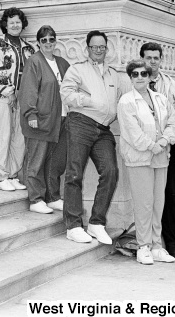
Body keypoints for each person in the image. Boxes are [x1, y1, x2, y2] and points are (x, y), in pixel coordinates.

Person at [60, 30, 123, 245]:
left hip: (104, 129)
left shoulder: (113, 74)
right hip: (81, 123)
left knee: (111, 172)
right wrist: (89, 100)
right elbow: (66, 93)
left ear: (107, 49)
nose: (98, 50)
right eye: (94, 47)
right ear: (87, 48)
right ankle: (73, 225)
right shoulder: (77, 69)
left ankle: (96, 223)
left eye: (102, 47)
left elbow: (120, 101)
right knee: (74, 173)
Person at [117, 58, 175, 265]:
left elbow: (172, 123)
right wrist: (153, 145)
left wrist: (164, 141)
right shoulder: (126, 101)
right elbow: (132, 133)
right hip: (140, 159)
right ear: (130, 77)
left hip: (160, 157)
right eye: (135, 74)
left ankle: (157, 246)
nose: (140, 77)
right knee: (143, 204)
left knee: (157, 203)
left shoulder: (161, 98)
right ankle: (143, 246)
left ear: (150, 76)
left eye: (144, 73)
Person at [140, 41, 175, 259]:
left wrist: (171, 145)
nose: (152, 62)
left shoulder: (171, 86)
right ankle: (167, 241)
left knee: (174, 193)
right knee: (154, 197)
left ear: (161, 60)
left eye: (156, 58)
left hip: (166, 149)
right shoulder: (135, 82)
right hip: (144, 150)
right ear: (142, 59)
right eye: (148, 58)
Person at [19, 25, 70, 214]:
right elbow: (29, 90)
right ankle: (35, 199)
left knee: (55, 162)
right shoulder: (34, 61)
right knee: (36, 160)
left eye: (51, 39)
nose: (48, 43)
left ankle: (52, 197)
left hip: (61, 119)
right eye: (44, 40)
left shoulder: (63, 63)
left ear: (56, 41)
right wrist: (30, 114)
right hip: (40, 120)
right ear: (38, 43)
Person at [0, 6, 34, 191]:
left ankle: (13, 174)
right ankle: (2, 175)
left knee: (19, 138)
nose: (15, 25)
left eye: (18, 22)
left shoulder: (29, 48)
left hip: (23, 99)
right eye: (11, 22)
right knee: (3, 134)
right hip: (1, 96)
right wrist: (9, 91)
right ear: (5, 24)